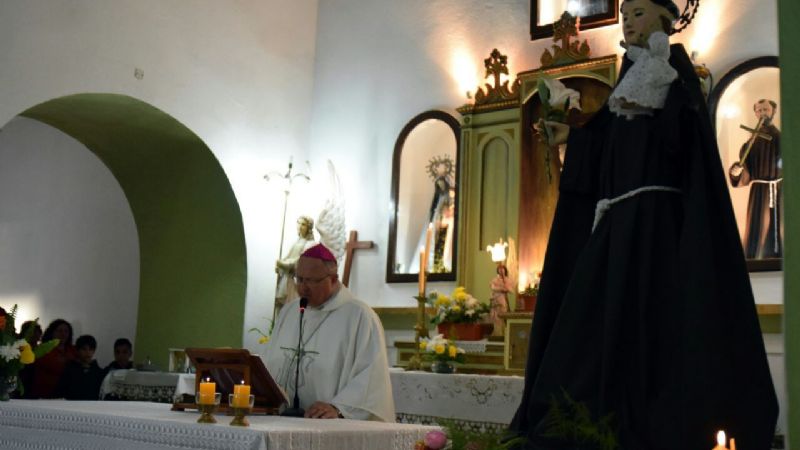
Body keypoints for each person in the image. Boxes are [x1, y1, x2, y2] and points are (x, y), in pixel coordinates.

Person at [508, 1, 777, 448]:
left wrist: (663, 106)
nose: (628, 22)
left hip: (657, 226)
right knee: (586, 327)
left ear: (665, 20)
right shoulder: (627, 78)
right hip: (616, 225)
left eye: (637, 13)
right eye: (625, 14)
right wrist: (569, 136)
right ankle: (585, 425)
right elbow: (605, 146)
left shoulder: (675, 71)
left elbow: (686, 146)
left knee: (655, 325)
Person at [264, 243, 395, 422]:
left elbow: (371, 376)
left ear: (333, 279)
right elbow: (271, 359)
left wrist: (338, 407)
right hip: (282, 418)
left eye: (311, 280)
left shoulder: (359, 316)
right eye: (299, 279)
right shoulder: (289, 311)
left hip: (327, 424)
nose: (303, 288)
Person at [729, 99, 782, 259]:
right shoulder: (750, 143)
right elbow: (746, 170)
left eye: (766, 109)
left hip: (780, 189)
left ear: (773, 111)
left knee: (781, 223)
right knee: (758, 224)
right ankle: (757, 258)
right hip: (759, 191)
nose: (762, 113)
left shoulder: (782, 138)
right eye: (759, 110)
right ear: (755, 113)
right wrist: (737, 170)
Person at [275, 216, 316, 311]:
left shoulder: (311, 244)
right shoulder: (296, 241)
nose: (300, 226)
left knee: (293, 308)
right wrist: (280, 266)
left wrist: (283, 264)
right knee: (283, 309)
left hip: (298, 282)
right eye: (299, 223)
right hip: (287, 279)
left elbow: (300, 261)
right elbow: (288, 258)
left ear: (308, 227)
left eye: (303, 224)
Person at [31, 319, 77, 398]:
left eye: (66, 331)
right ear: (52, 332)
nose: (63, 334)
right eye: (59, 331)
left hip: (67, 394)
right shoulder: (43, 349)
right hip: (45, 393)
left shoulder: (73, 350)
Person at [59, 335, 105, 400]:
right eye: (84, 349)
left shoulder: (99, 372)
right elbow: (62, 391)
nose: (87, 352)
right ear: (78, 350)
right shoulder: (69, 370)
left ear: (94, 351)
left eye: (90, 349)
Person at [489, 264, 513, 337]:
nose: (501, 270)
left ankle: (503, 333)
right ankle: (497, 333)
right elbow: (493, 288)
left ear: (505, 270)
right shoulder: (494, 280)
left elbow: (511, 290)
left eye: (502, 269)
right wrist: (501, 288)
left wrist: (505, 288)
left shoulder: (507, 280)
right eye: (499, 269)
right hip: (495, 298)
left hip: (502, 299)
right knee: (496, 316)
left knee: (503, 314)